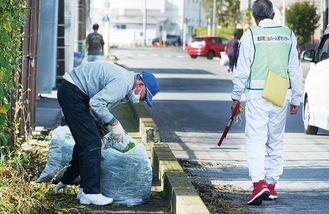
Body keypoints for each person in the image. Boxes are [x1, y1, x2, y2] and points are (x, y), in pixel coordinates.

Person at [54, 61, 160, 205]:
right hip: (73, 93)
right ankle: (90, 193)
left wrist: (107, 125)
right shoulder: (123, 83)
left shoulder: (125, 83)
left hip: (73, 92)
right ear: (140, 85)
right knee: (92, 143)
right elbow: (96, 103)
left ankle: (80, 187)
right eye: (144, 97)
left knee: (87, 141)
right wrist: (114, 123)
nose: (141, 101)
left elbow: (98, 106)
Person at [231, 0, 302, 206]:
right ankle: (271, 184)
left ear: (254, 17)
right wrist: (296, 98)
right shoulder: (288, 34)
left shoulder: (251, 35)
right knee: (276, 139)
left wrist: (236, 97)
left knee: (255, 138)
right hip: (280, 93)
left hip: (257, 95)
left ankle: (258, 183)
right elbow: (295, 68)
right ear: (273, 15)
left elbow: (242, 69)